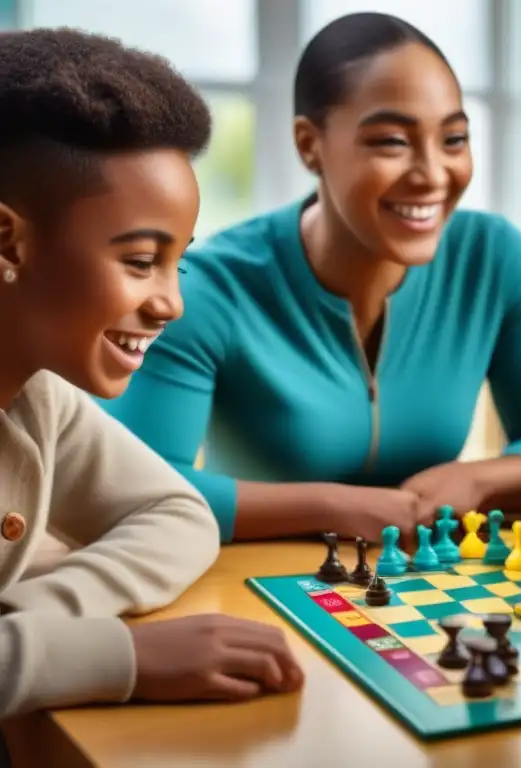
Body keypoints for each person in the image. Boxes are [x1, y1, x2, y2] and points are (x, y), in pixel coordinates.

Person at [101, 12, 521, 545]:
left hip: (421, 586)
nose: (432, 174)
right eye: (391, 142)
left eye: (453, 139)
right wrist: (333, 506)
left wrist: (477, 477)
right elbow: (133, 492)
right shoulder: (206, 288)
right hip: (252, 585)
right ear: (309, 144)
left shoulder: (496, 260)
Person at [0, 28, 302, 720]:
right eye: (139, 261)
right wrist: (120, 658)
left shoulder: (38, 400)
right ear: (7, 240)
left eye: (178, 262)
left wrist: (27, 618)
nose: (172, 303)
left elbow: (176, 513)